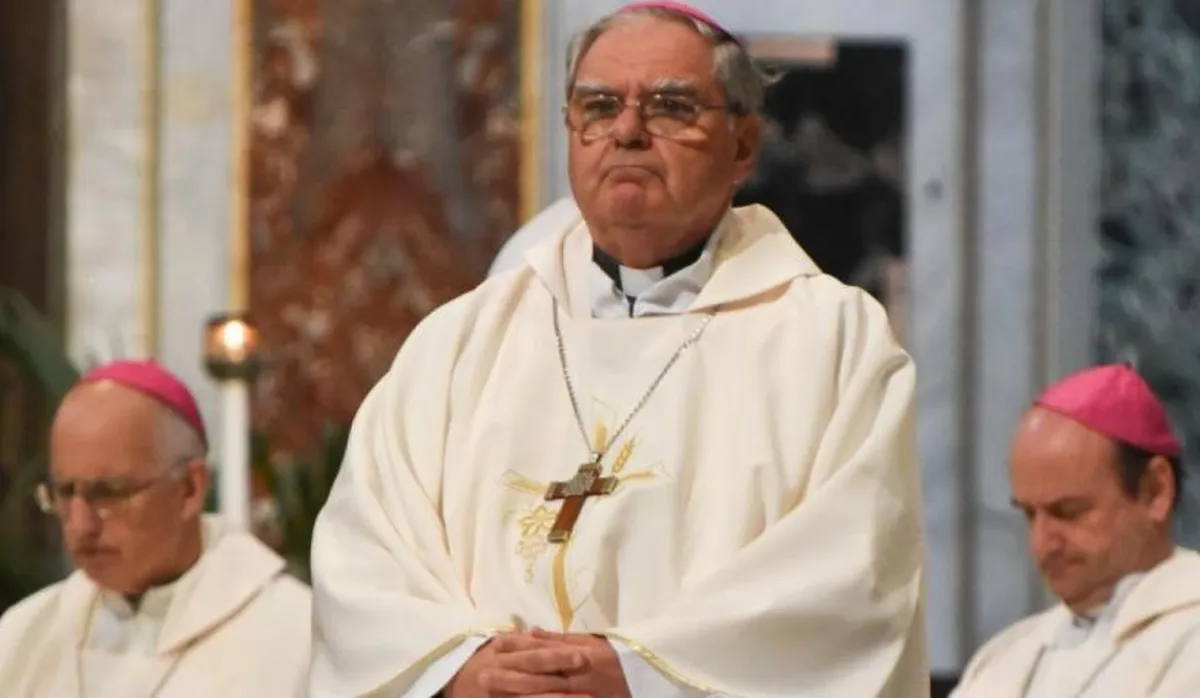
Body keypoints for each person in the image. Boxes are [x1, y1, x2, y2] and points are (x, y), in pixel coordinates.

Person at [309, 2, 928, 697]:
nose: (627, 131)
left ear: (744, 145)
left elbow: (851, 575)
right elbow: (365, 553)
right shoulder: (461, 342)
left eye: (671, 106)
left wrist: (638, 674)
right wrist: (458, 666)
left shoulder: (829, 341)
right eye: (598, 107)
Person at [0, 360, 312, 697]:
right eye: (64, 493)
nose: (80, 526)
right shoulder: (23, 635)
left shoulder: (298, 635)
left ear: (190, 488)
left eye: (108, 493)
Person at [951, 363, 1200, 697]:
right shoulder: (1005, 657)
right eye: (1029, 515)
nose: (1041, 545)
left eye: (1068, 513)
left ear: (1156, 491)